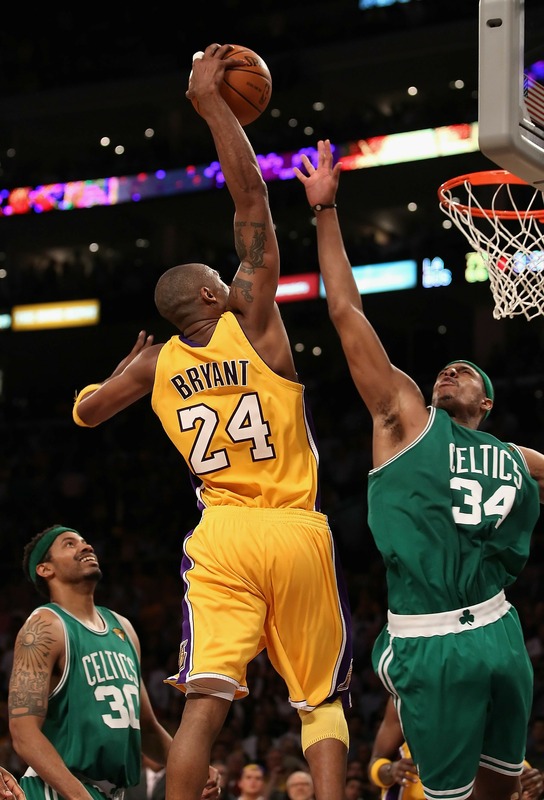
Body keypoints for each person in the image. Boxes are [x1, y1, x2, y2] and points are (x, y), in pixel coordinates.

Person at [71, 44, 353, 800]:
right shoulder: (252, 324)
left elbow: (89, 412)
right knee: (319, 700)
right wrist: (214, 106)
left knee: (203, 704)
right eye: (216, 280)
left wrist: (121, 371)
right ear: (208, 299)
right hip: (290, 525)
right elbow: (252, 201)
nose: (228, 283)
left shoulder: (155, 365)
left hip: (220, 537)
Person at [294, 138, 544, 800]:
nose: (449, 370)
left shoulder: (514, 458)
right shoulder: (406, 420)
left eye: (466, 371)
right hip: (429, 638)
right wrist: (327, 212)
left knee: (505, 789)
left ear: (486, 403)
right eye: (445, 368)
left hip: (499, 626)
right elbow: (347, 315)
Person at [7, 525, 219, 800]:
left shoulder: (123, 628)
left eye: (85, 541)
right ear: (45, 569)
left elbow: (146, 728)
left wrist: (195, 768)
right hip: (58, 791)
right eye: (69, 544)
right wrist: (80, 796)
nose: (86, 546)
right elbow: (23, 734)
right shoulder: (44, 627)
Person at [368, 696, 544, 800]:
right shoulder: (403, 697)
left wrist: (528, 777)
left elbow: (498, 752)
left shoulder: (487, 692)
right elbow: (375, 764)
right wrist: (390, 770)